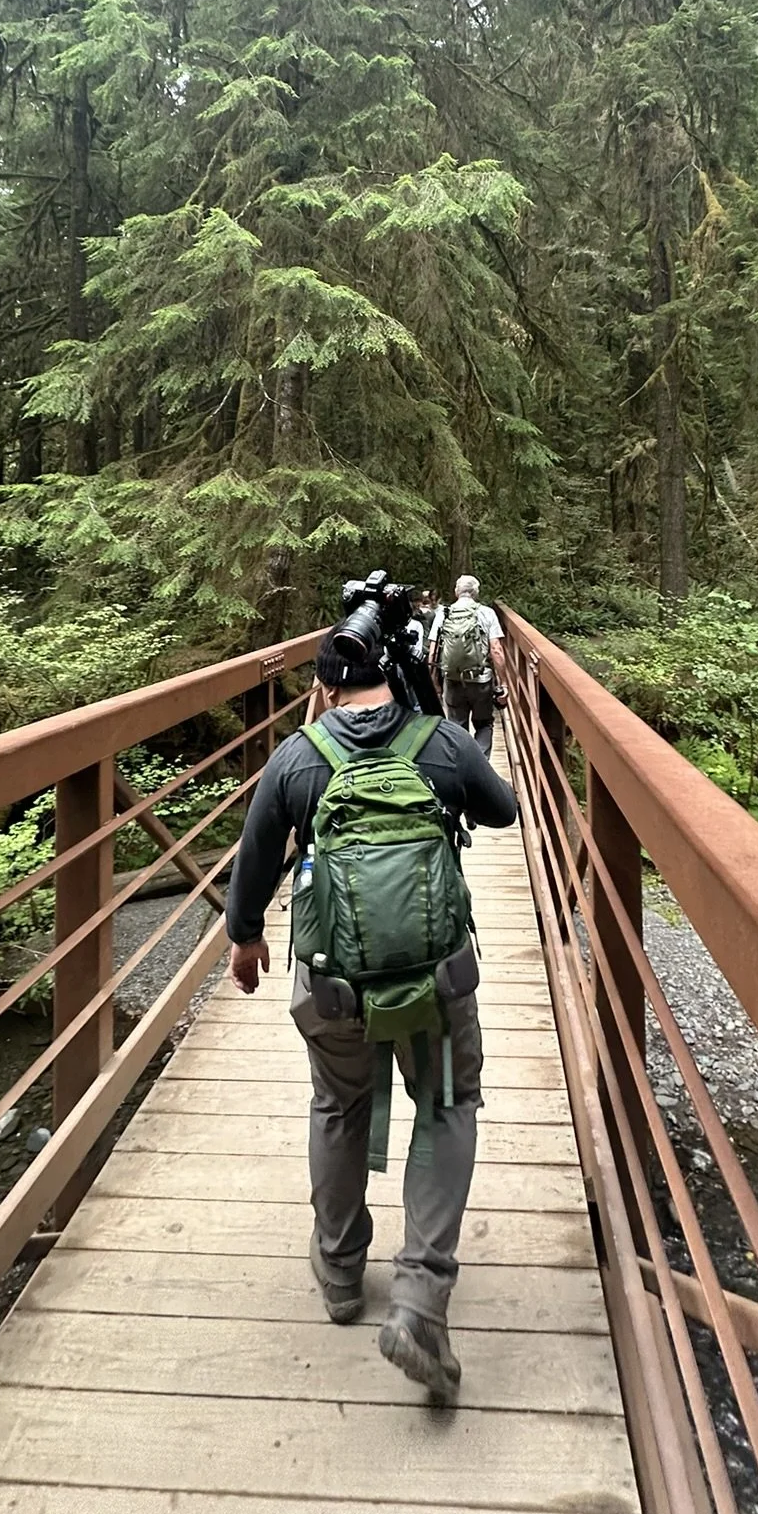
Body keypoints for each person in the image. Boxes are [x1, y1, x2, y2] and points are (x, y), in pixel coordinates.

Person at [225, 628, 517, 1396]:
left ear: (323, 689)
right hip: (436, 983)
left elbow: (255, 858)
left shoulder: (298, 757)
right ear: (395, 678)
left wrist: (246, 941)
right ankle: (421, 1294)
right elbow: (504, 811)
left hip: (334, 991)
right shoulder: (443, 743)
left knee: (338, 1103)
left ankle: (343, 1271)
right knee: (446, 1106)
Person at [428, 573, 509, 755]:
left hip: (453, 679)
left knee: (457, 728)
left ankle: (463, 768)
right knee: (484, 724)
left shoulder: (443, 613)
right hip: (481, 681)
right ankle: (481, 766)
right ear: (476, 593)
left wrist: (434, 682)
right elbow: (496, 649)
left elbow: (433, 651)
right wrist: (503, 684)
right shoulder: (486, 613)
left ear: (457, 592)